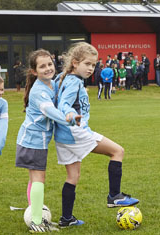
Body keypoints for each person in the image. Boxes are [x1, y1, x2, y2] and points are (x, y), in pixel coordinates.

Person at [54, 42, 139, 228]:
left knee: (73, 177)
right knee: (117, 151)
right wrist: (69, 113)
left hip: (62, 137)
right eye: (88, 64)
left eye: (94, 65)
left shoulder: (63, 77)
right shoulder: (74, 81)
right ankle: (114, 196)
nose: (91, 68)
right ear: (75, 63)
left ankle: (66, 219)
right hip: (76, 132)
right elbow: (63, 105)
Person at [15, 49, 80, 233]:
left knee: (35, 178)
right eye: (42, 66)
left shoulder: (52, 84)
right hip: (32, 140)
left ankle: (36, 215)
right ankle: (36, 221)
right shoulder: (38, 91)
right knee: (38, 179)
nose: (48, 68)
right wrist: (68, 119)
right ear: (34, 71)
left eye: (50, 64)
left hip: (37, 140)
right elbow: (49, 110)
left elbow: (65, 80)